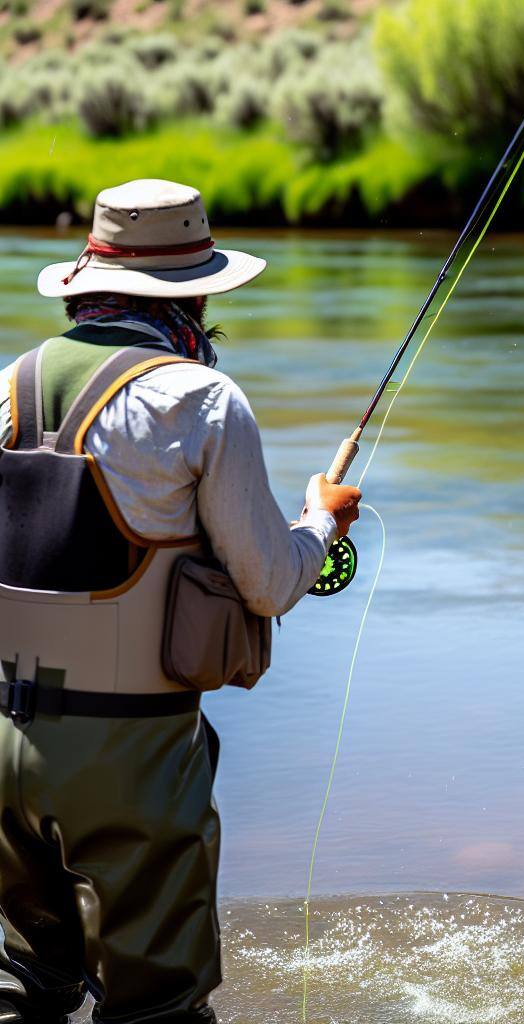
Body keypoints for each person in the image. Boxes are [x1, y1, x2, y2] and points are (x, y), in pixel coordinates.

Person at [0, 179, 361, 1023]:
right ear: (193, 292)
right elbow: (271, 584)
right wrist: (323, 523)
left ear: (87, 284)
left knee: (24, 991)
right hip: (131, 758)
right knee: (159, 1008)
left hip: (1, 740)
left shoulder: (6, 386)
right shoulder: (201, 400)